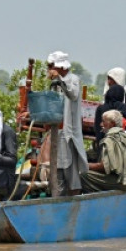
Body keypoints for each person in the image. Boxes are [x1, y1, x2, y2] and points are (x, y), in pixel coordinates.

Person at [47, 50, 89, 196]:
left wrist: (61, 81)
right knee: (57, 169)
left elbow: (73, 94)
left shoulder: (72, 79)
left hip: (68, 132)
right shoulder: (55, 83)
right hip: (56, 132)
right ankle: (58, 201)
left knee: (70, 170)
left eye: (52, 66)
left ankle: (75, 202)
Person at [80, 110, 126, 193]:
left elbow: (105, 166)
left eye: (103, 122)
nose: (101, 124)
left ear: (112, 124)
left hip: (125, 180)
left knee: (82, 176)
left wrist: (84, 166)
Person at [93, 84, 126, 152]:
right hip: (121, 146)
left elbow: (97, 128)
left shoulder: (100, 108)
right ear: (121, 95)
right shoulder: (124, 107)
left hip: (103, 144)